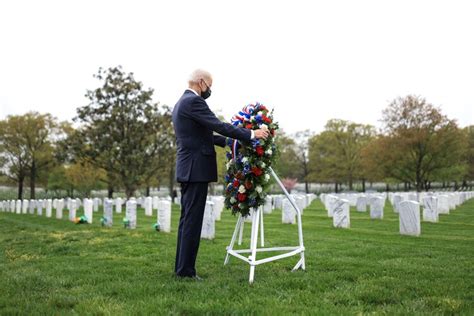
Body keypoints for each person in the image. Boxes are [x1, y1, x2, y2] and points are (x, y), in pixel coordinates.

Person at [172, 69, 269, 280]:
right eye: (210, 85)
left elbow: (200, 135)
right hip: (196, 169)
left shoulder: (181, 102)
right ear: (201, 82)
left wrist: (228, 142)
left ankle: (181, 269)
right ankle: (186, 272)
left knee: (186, 220)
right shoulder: (194, 102)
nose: (210, 90)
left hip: (187, 168)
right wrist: (251, 134)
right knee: (192, 221)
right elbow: (218, 125)